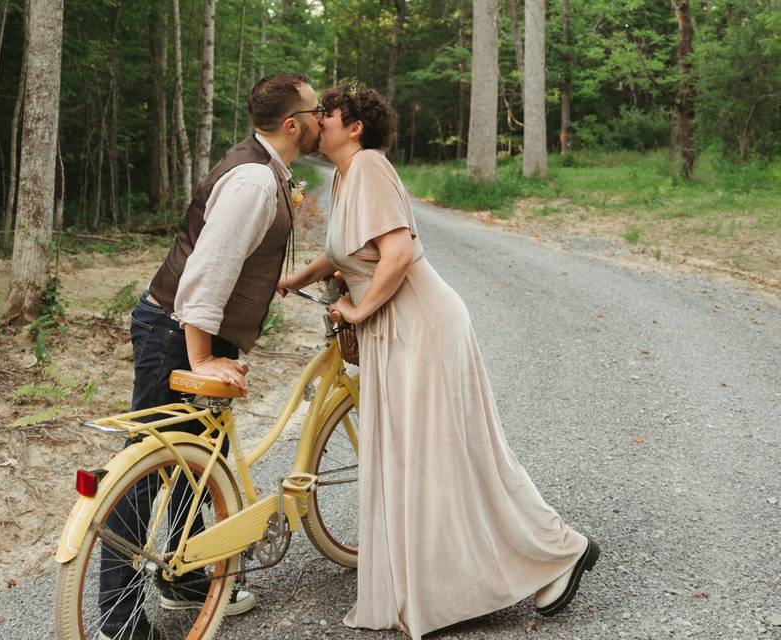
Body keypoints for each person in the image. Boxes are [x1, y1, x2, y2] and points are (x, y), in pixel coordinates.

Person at [278, 82, 599, 639]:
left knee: (451, 454)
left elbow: (398, 253)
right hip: (395, 331)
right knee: (415, 458)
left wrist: (359, 311)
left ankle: (560, 550)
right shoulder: (346, 176)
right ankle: (439, 582)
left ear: (354, 127)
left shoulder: (372, 167)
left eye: (326, 114)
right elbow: (342, 253)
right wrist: (291, 280)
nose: (317, 121)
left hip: (421, 325)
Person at [97, 73, 324, 640]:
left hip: (192, 331)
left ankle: (188, 578)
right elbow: (207, 272)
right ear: (293, 124)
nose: (323, 118)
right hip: (176, 332)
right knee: (147, 468)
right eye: (317, 111)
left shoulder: (266, 168)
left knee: (198, 460)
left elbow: (237, 258)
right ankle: (114, 621)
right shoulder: (252, 180)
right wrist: (201, 359)